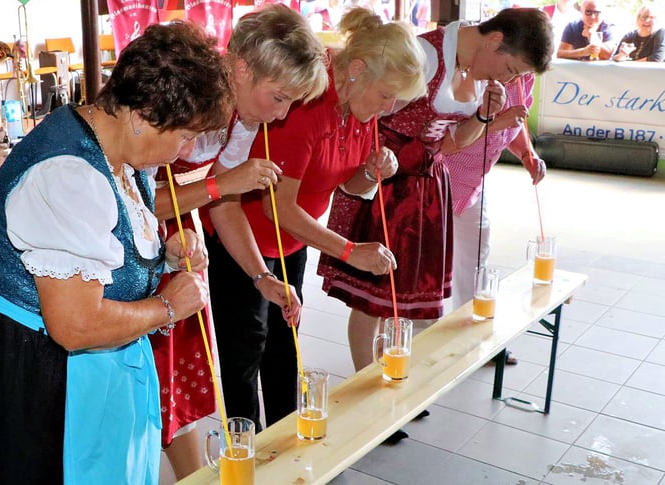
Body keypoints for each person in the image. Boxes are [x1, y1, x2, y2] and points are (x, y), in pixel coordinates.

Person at [0, 21, 232, 484]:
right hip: (23, 376)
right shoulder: (67, 175)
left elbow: (104, 248)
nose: (185, 150)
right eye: (184, 136)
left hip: (64, 367)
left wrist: (161, 256)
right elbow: (76, 326)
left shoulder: (116, 145)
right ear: (142, 116)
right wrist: (167, 306)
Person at [318, 7, 554, 441]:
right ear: (494, 40)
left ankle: (388, 383)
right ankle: (368, 396)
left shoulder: (480, 73)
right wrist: (374, 168)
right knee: (373, 297)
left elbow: (449, 142)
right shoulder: (426, 55)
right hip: (387, 182)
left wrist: (484, 119)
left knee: (402, 296)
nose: (507, 79)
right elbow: (367, 116)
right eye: (509, 68)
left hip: (428, 186)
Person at [207, 7, 426, 432]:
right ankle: (245, 451)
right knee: (245, 349)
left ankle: (286, 443)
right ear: (357, 70)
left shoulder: (363, 110)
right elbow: (276, 206)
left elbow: (345, 182)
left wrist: (372, 170)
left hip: (293, 238)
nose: (390, 107)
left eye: (396, 100)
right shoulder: (307, 102)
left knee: (284, 342)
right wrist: (349, 251)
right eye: (386, 95)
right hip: (242, 231)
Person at [148, 4, 327, 479]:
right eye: (280, 98)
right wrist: (208, 192)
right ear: (242, 69)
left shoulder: (242, 117)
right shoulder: (176, 98)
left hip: (165, 244)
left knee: (171, 381)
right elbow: (132, 200)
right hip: (116, 239)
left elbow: (223, 207)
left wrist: (262, 277)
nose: (281, 114)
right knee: (139, 384)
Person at [444, 74, 547, 361]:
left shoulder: (525, 77)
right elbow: (451, 136)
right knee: (428, 265)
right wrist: (499, 120)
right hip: (441, 176)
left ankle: (477, 336)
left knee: (477, 257)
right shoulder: (479, 71)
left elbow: (517, 124)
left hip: (475, 181)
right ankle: (414, 342)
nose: (527, 72)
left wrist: (527, 155)